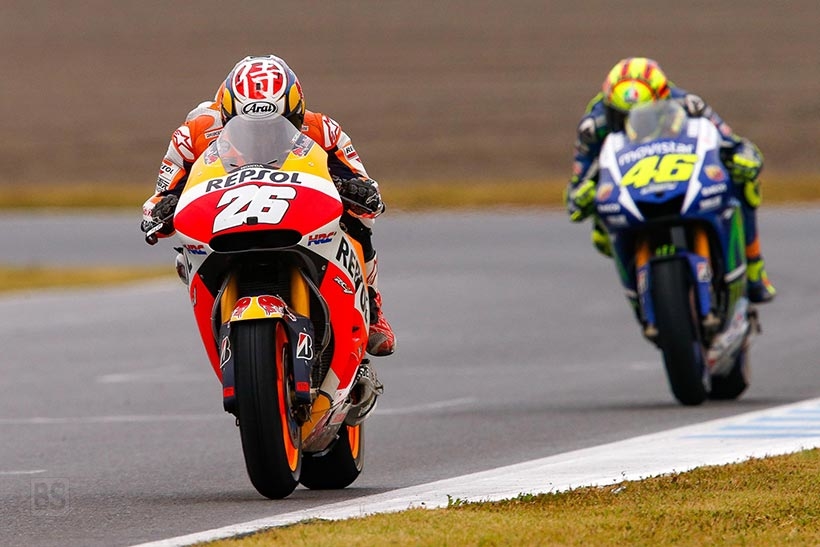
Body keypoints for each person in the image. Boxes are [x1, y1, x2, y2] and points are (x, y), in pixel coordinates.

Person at [140, 55, 396, 356]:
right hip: (226, 217)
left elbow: (366, 187)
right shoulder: (193, 135)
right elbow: (159, 197)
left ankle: (372, 307)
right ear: (226, 115)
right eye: (249, 127)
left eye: (278, 125)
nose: (262, 135)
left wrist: (359, 191)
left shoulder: (323, 129)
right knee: (183, 256)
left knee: (359, 222)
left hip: (296, 211)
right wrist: (161, 210)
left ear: (297, 113)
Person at [564, 57, 776, 303]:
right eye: (619, 117)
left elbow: (731, 142)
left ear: (661, 101)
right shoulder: (594, 125)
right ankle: (637, 289)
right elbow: (577, 186)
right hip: (628, 186)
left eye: (642, 115)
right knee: (600, 236)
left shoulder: (688, 104)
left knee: (743, 181)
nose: (630, 124)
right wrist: (582, 196)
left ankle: (754, 266)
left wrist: (743, 157)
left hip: (679, 171)